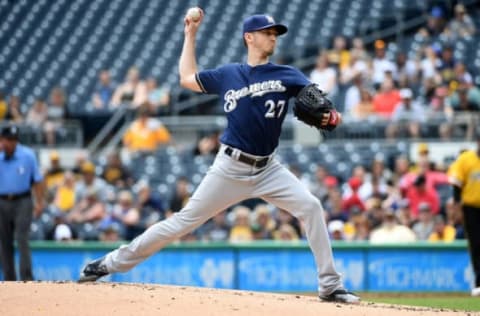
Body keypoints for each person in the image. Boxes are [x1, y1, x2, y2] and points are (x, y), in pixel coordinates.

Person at [79, 11, 359, 304]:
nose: (273, 36)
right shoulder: (228, 74)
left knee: (311, 207)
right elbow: (187, 79)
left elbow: (319, 103)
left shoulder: (287, 74)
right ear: (249, 37)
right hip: (230, 167)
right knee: (182, 222)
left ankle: (329, 285)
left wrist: (331, 115)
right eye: (267, 32)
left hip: (268, 168)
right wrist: (190, 34)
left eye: (276, 33)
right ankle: (109, 263)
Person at [0, 125, 45, 280]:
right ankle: (9, 279)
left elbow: (38, 181)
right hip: (2, 202)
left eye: (13, 140)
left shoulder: (28, 155)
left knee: (21, 238)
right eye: (7, 140)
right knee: (4, 241)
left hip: (23, 201)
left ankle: (27, 279)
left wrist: (39, 202)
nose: (9, 143)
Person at [448, 130, 480, 296]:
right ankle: (479, 283)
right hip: (471, 208)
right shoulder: (466, 158)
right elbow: (456, 184)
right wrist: (456, 207)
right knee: (476, 245)